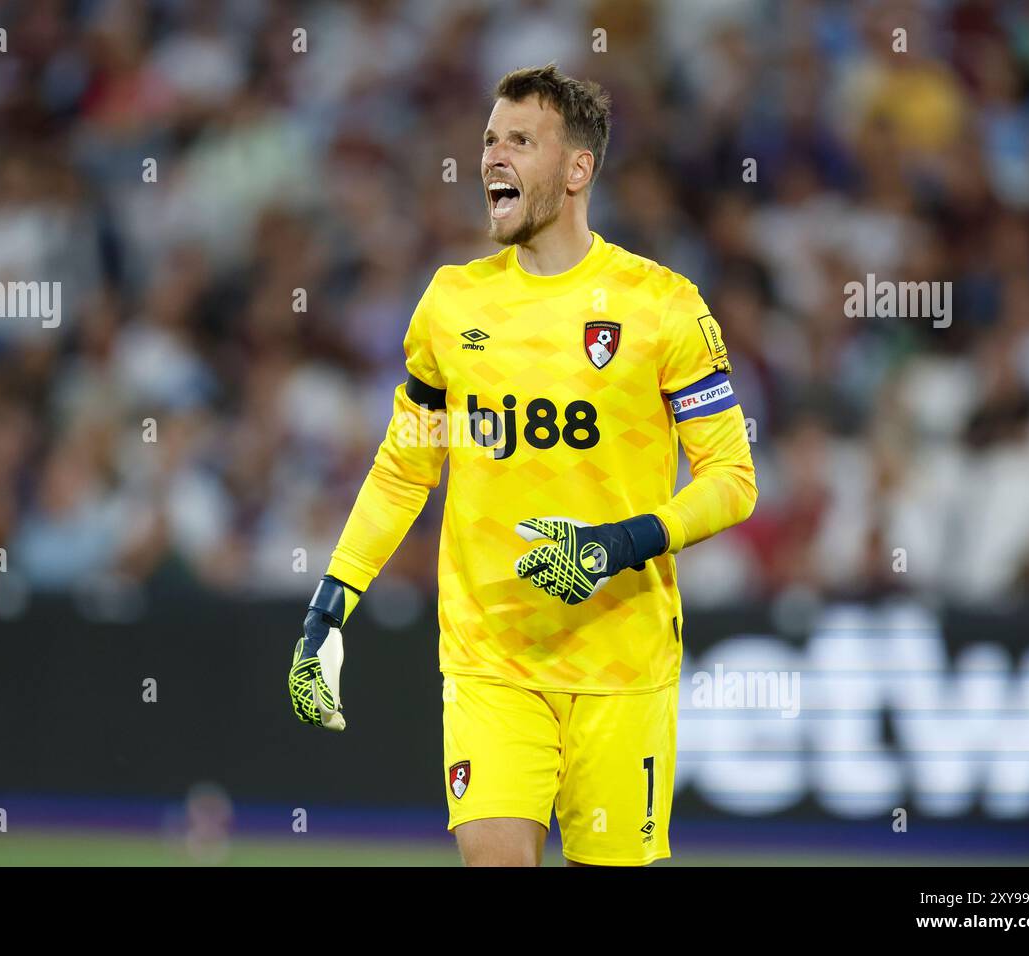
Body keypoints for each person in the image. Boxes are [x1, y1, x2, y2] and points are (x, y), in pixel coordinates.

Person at [289, 64, 757, 866]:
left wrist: (623, 542)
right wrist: (329, 606)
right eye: (488, 140)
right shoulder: (452, 304)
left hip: (623, 663)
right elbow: (406, 469)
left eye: (520, 141)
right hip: (491, 657)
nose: (492, 158)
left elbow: (733, 482)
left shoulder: (663, 307)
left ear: (577, 170)